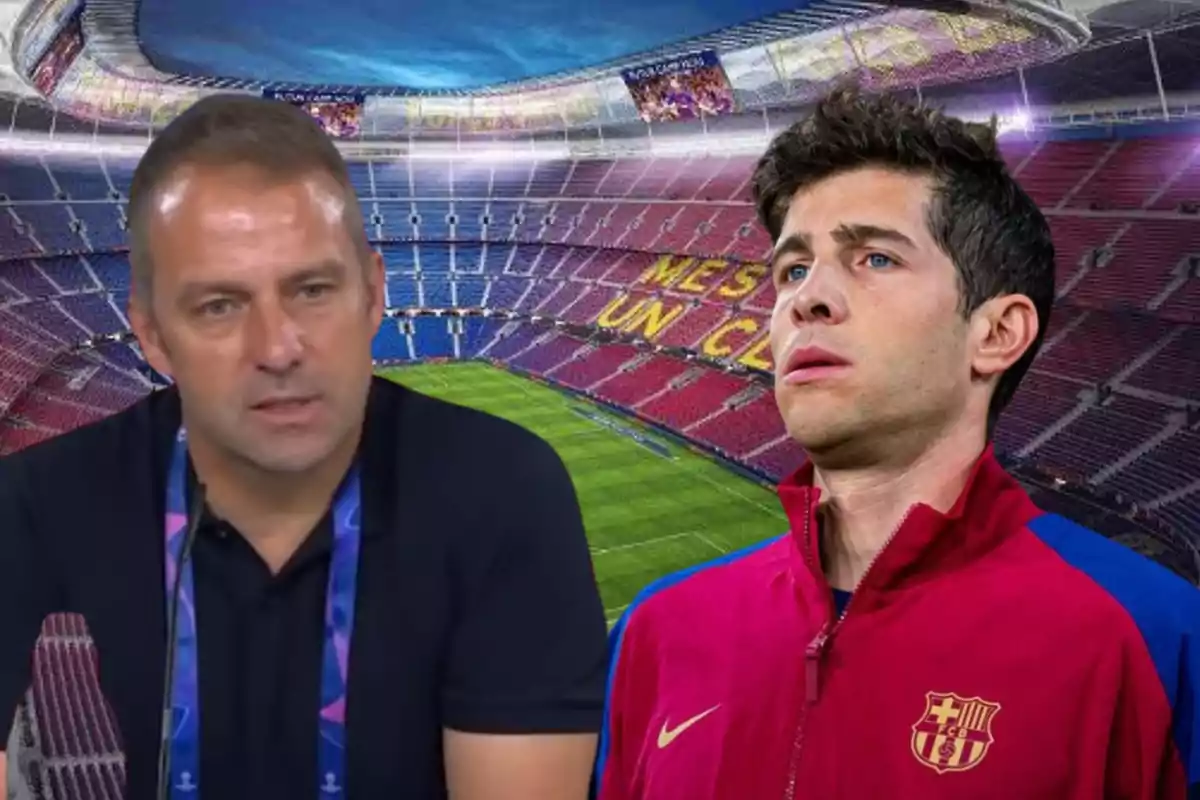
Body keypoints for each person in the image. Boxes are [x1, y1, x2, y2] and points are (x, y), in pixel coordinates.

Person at [596, 87, 1199, 799]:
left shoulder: (1157, 639)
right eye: (791, 269)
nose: (807, 298)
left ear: (997, 333)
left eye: (874, 259)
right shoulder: (657, 632)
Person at [0, 94, 608, 800]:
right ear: (153, 335)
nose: (278, 348)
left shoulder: (503, 488)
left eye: (313, 289)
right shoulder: (40, 500)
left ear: (375, 293)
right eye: (219, 306)